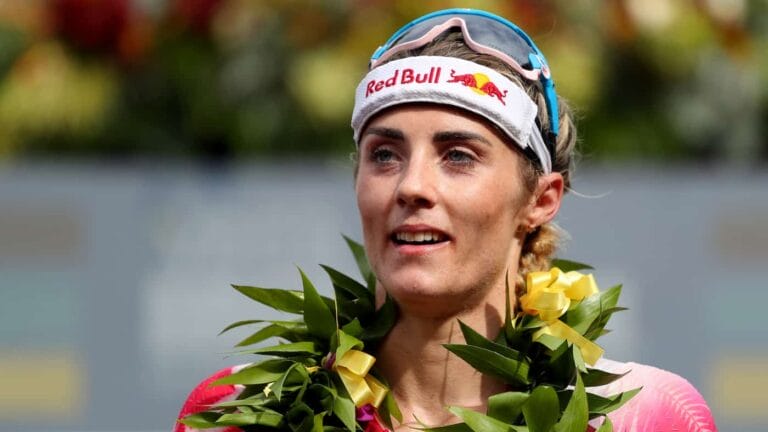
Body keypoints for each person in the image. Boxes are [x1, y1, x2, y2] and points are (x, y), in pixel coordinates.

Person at [175, 9, 717, 432]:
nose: (412, 186)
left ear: (542, 199)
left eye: (458, 155)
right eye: (385, 155)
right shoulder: (238, 411)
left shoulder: (644, 419)